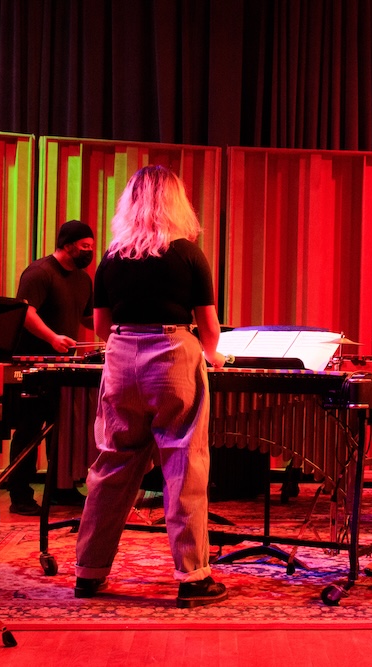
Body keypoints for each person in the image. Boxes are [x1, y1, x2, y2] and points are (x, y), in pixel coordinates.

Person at [74, 165, 228, 609]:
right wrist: (210, 353)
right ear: (177, 202)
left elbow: (101, 327)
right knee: (184, 465)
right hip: (173, 353)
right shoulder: (188, 254)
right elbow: (209, 328)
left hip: (121, 358)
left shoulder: (110, 257)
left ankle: (89, 572)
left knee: (113, 465)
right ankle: (192, 577)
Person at [8, 220, 95, 515]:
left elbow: (86, 318)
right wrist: (52, 337)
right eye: (85, 247)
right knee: (30, 430)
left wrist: (115, 333)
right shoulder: (40, 272)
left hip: (63, 367)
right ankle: (20, 495)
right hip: (34, 365)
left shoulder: (83, 280)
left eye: (92, 248)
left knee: (64, 429)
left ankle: (62, 488)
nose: (89, 252)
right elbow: (25, 312)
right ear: (68, 245)